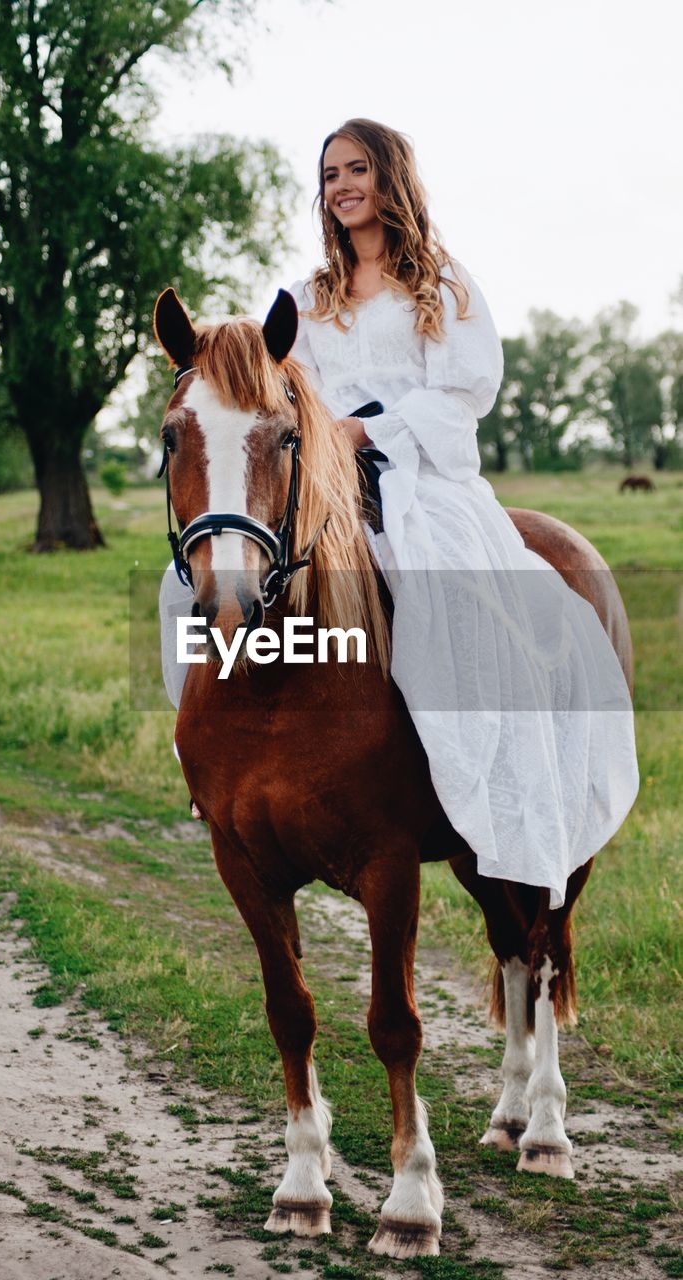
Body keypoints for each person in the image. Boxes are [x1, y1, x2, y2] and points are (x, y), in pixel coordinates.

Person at [161, 118, 638, 907]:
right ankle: (211, 767)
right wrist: (312, 439)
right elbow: (283, 395)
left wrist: (367, 429)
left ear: (389, 179)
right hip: (319, 481)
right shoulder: (310, 298)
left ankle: (481, 756)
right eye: (329, 175)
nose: (341, 186)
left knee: (447, 588)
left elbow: (460, 395)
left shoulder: (441, 286)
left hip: (420, 475)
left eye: (356, 170)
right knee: (189, 587)